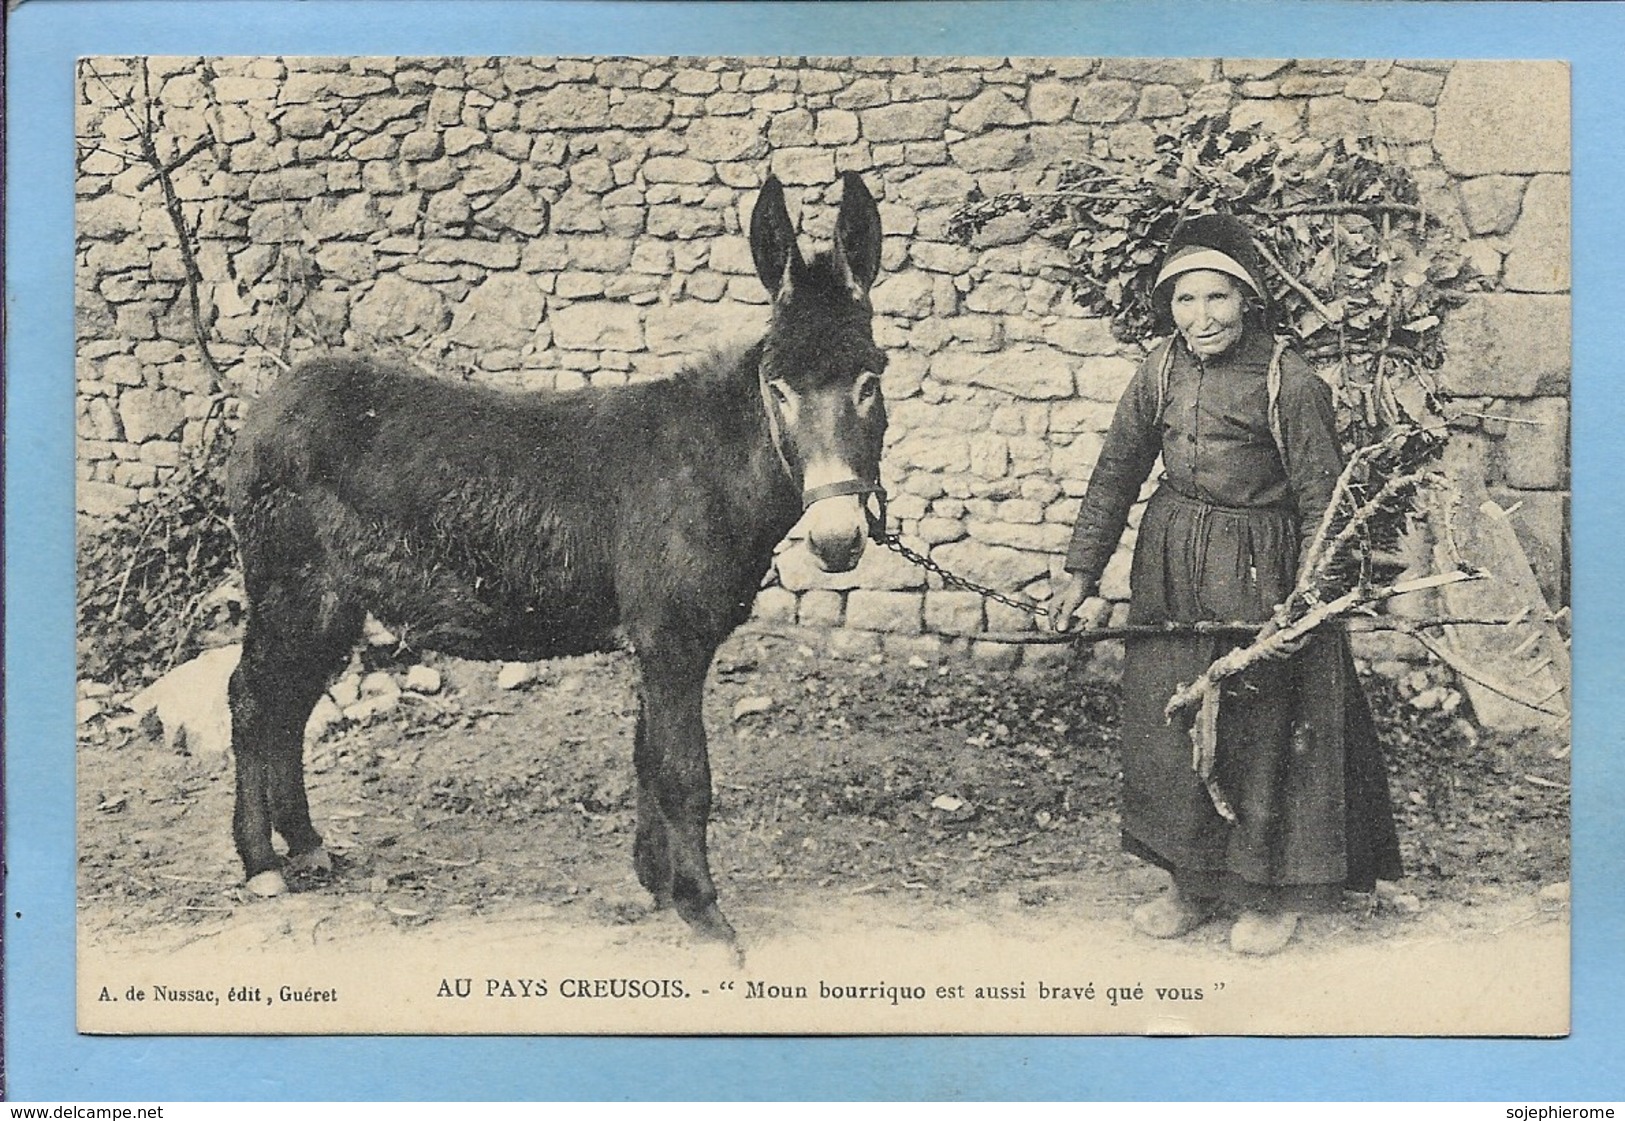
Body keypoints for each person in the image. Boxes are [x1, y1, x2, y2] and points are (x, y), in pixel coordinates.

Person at [1049, 214, 1403, 955]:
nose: (1200, 317)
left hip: (1263, 569)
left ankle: (1270, 893)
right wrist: (1080, 572)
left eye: (1217, 298)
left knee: (1260, 728)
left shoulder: (1287, 380)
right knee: (1174, 720)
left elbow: (1321, 498)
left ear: (1247, 300)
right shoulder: (1159, 370)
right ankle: (1191, 881)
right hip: (1173, 563)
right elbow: (1115, 471)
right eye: (1183, 299)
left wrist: (1305, 599)